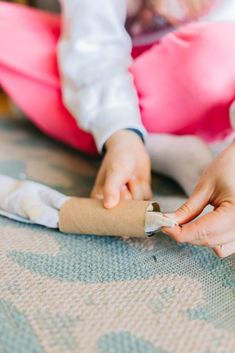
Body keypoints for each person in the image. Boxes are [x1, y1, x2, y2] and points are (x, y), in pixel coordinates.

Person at [0, 0, 235, 257]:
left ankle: (121, 131)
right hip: (106, 64)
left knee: (221, 52)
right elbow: (93, 46)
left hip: (182, 84)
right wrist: (121, 135)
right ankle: (151, 144)